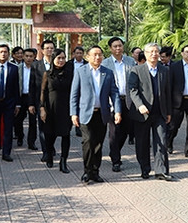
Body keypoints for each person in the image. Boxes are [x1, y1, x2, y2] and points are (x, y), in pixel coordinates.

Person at [70, 45, 121, 184]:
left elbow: (114, 93)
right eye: (94, 55)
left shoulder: (108, 73)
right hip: (86, 114)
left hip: (102, 114)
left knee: (98, 143)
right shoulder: (81, 71)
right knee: (87, 141)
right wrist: (74, 113)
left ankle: (95, 171)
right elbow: (74, 95)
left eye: (100, 55)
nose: (98, 57)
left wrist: (117, 111)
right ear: (88, 57)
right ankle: (87, 171)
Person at [127, 43, 173, 180]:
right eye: (151, 52)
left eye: (156, 51)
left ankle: (161, 170)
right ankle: (145, 168)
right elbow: (133, 90)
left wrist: (169, 112)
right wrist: (140, 105)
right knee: (142, 142)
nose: (154, 54)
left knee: (162, 141)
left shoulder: (164, 70)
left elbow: (167, 92)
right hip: (143, 113)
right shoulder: (136, 70)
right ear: (145, 54)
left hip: (160, 112)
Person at [102, 36, 136, 172]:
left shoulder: (130, 61)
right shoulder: (105, 64)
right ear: (110, 48)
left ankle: (114, 151)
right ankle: (116, 160)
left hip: (128, 101)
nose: (118, 48)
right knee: (114, 131)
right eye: (115, 46)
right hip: (112, 101)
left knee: (127, 130)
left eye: (120, 45)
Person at [40, 49, 74, 173]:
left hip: (66, 108)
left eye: (63, 58)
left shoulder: (70, 73)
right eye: (58, 58)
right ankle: (49, 155)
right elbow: (43, 92)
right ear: (53, 59)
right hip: (51, 109)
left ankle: (63, 161)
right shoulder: (47, 74)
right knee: (49, 135)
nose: (61, 60)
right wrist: (42, 108)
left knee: (66, 135)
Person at [168, 44, 188, 158]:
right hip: (177, 101)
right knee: (173, 126)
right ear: (182, 54)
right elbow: (169, 85)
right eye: (187, 51)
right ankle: (168, 143)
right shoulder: (175, 66)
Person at [14, 47, 41, 150]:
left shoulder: (38, 68)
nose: (28, 58)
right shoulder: (18, 68)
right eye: (26, 56)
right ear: (23, 57)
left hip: (33, 97)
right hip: (21, 97)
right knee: (18, 120)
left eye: (31, 56)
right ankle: (20, 136)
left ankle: (31, 142)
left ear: (34, 57)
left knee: (33, 121)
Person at [36, 39, 55, 161]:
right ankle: (45, 152)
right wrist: (32, 104)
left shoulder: (58, 63)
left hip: (55, 102)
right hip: (41, 102)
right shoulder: (36, 65)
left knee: (53, 127)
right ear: (42, 50)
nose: (49, 50)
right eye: (47, 48)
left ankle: (50, 147)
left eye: (51, 48)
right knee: (42, 128)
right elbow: (33, 86)